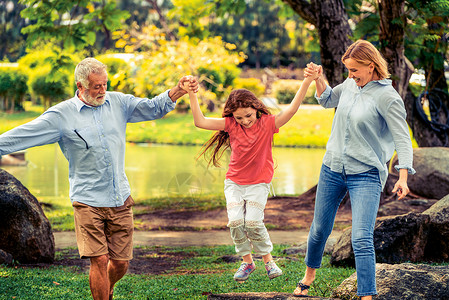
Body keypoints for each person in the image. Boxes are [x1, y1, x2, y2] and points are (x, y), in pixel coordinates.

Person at [0, 57, 198, 300]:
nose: (103, 90)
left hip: (120, 198)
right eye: (96, 86)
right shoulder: (61, 116)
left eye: (105, 84)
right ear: (80, 86)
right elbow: (21, 135)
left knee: (121, 263)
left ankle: (107, 285)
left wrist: (178, 90)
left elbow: (153, 107)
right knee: (99, 258)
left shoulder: (118, 102)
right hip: (87, 199)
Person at [293, 40, 415, 299]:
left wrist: (403, 176)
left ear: (371, 66)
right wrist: (318, 78)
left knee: (360, 238)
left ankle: (366, 295)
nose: (350, 76)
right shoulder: (349, 85)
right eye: (347, 70)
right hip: (332, 168)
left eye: (354, 70)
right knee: (319, 230)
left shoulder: (387, 97)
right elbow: (327, 100)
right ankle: (308, 276)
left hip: (367, 174)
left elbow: (402, 137)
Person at [181, 69, 319, 282]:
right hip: (234, 182)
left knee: (253, 222)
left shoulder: (267, 124)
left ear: (256, 108)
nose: (245, 121)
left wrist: (307, 81)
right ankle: (247, 262)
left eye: (248, 115)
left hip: (258, 183)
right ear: (232, 116)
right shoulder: (231, 125)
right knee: (236, 222)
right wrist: (192, 93)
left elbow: (291, 111)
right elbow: (200, 121)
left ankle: (268, 261)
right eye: (239, 117)